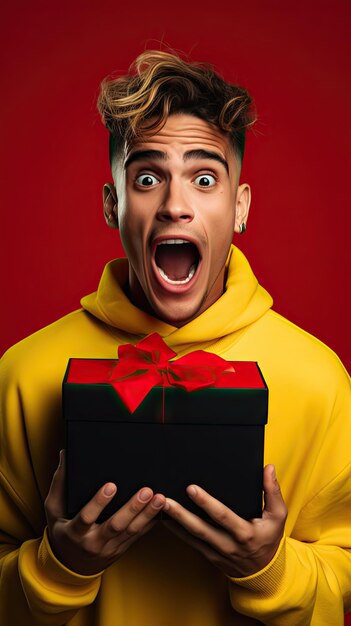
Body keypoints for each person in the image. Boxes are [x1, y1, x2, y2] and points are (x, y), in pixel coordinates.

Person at [0, 50, 350, 626]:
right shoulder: (25, 373)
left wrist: (269, 566)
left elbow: (343, 580)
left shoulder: (320, 380)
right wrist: (58, 564)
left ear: (239, 207)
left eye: (205, 178)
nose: (175, 206)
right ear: (113, 205)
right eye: (146, 178)